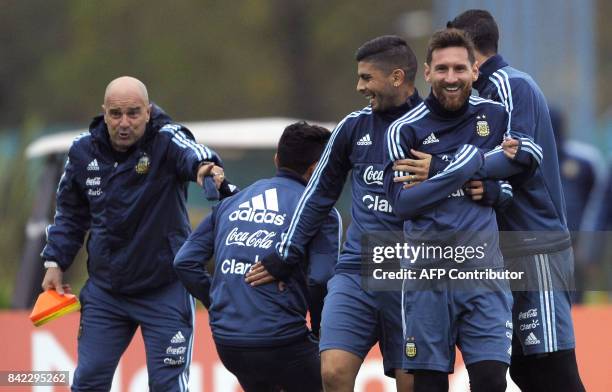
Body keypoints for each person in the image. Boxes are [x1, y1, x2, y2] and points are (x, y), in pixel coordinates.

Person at [247, 36, 421, 391]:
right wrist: (286, 253)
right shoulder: (352, 128)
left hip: (413, 277)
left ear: (397, 77)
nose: (360, 87)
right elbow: (317, 194)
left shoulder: (435, 128)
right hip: (357, 269)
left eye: (367, 78)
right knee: (332, 372)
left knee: (413, 383)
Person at [40, 76, 232, 391]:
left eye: (133, 113)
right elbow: (70, 214)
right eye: (116, 114)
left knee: (167, 386)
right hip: (106, 293)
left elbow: (194, 153)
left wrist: (205, 168)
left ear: (148, 111)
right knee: (87, 382)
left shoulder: (167, 141)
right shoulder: (82, 151)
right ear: (104, 113)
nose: (124, 122)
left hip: (165, 291)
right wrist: (55, 261)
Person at [444, 10, 586, 391]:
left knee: (553, 366)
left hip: (533, 242)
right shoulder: (474, 96)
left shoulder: (510, 84)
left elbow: (518, 155)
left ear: (469, 48)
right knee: (523, 368)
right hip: (501, 248)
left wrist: (448, 170)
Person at [383, 28, 516, 392]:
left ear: (475, 71)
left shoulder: (496, 114)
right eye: (442, 69)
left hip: (482, 275)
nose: (451, 78)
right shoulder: (403, 130)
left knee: (491, 381)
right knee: (428, 385)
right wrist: (468, 164)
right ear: (427, 73)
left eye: (460, 68)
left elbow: (511, 171)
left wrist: (486, 186)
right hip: (426, 277)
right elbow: (403, 203)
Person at [173, 121, 341, 392]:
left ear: (277, 159)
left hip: (229, 342)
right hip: (283, 340)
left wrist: (217, 302)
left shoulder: (232, 202)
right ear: (316, 170)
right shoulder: (321, 210)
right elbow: (320, 279)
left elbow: (184, 262)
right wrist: (320, 333)